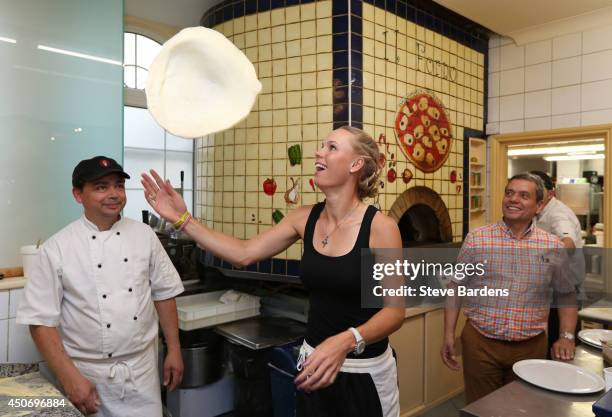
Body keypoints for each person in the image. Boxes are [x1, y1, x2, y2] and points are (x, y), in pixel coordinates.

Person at [141, 126, 404, 417]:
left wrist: (346, 340)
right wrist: (183, 219)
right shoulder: (304, 218)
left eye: (331, 147)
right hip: (313, 365)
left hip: (363, 371)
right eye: (321, 146)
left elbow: (394, 312)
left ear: (356, 164)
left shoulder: (381, 229)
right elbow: (243, 254)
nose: (319, 152)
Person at [17, 156, 184, 417]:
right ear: (77, 195)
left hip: (143, 370)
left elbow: (164, 294)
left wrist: (174, 349)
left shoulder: (145, 235)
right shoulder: (56, 248)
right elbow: (40, 323)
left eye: (118, 185)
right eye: (101, 187)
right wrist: (70, 379)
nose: (114, 194)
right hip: (88, 376)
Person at [440, 173, 578, 404]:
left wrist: (566, 337)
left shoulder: (553, 246)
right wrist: (448, 334)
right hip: (480, 344)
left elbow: (566, 294)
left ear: (539, 206)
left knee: (522, 409)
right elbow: (455, 287)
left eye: (524, 196)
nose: (513, 199)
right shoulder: (477, 239)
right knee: (480, 408)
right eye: (509, 193)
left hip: (530, 348)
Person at [530, 170, 585, 352]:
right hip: (548, 288)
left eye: (538, 189)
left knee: (561, 344)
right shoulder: (538, 210)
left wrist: (543, 258)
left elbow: (567, 242)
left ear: (550, 193)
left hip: (565, 289)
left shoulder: (558, 214)